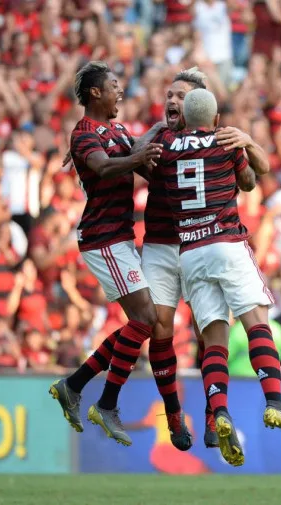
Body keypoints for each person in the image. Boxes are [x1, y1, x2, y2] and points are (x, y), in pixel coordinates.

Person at [153, 88, 281, 467]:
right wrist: (248, 140)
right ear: (217, 120)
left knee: (214, 338)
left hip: (190, 251)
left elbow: (151, 159)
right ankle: (274, 402)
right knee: (257, 321)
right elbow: (257, 176)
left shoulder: (168, 147)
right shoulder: (226, 143)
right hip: (226, 242)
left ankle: (220, 411)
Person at [48, 61, 182, 449]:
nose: (119, 92)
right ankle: (104, 403)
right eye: (113, 86)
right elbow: (105, 168)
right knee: (146, 318)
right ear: (95, 93)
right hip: (102, 238)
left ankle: (74, 386)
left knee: (142, 323)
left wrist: (161, 131)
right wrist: (137, 159)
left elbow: (137, 150)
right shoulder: (84, 133)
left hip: (120, 237)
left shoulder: (117, 129)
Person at [139, 67, 272, 449]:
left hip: (197, 244)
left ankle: (214, 416)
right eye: (169, 95)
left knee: (210, 330)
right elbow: (132, 155)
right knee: (160, 326)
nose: (172, 101)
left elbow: (250, 180)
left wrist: (244, 142)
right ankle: (175, 415)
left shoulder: (219, 137)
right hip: (165, 244)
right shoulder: (160, 140)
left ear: (198, 105)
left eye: (181, 96)